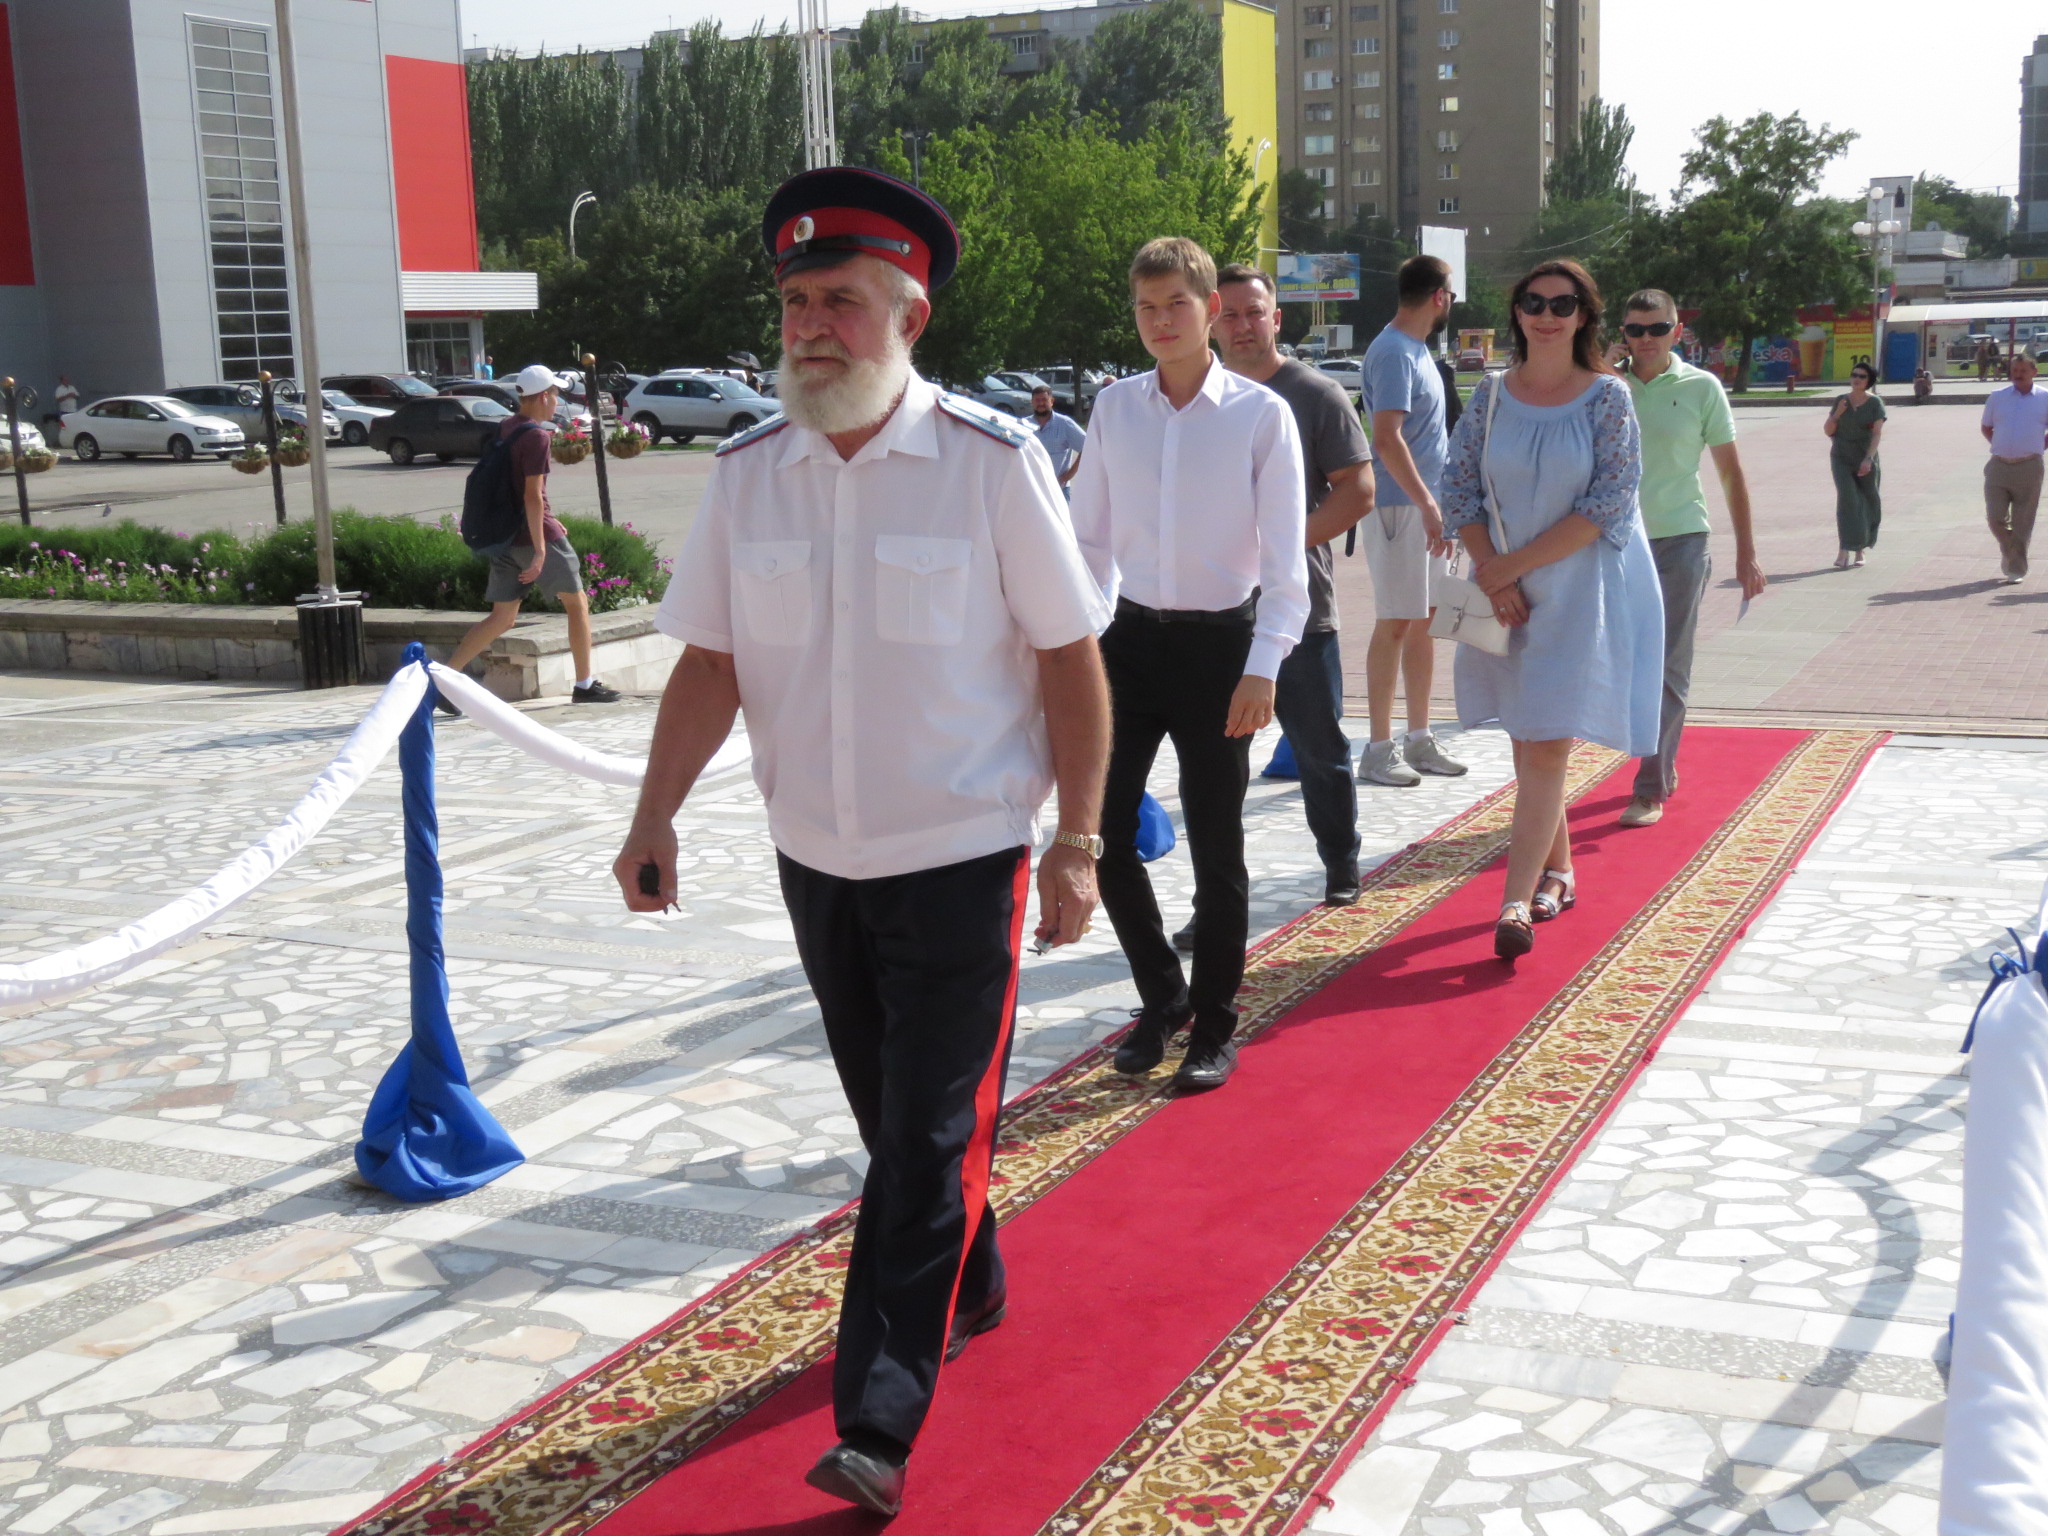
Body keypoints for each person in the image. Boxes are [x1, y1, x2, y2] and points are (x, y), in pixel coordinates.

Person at [614, 167, 1112, 1518]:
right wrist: (653, 812)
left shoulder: (992, 465)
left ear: (909, 313)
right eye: (794, 299)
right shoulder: (747, 476)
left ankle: (879, 1421)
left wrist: (1077, 840)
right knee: (898, 1121)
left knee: (924, 1132)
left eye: (841, 298)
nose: (811, 323)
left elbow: (1070, 661)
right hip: (816, 854)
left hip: (961, 853)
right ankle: (975, 1269)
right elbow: (710, 663)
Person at [1070, 237, 1307, 1095]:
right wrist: (1076, 649)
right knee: (1098, 835)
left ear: (1211, 309)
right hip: (1127, 645)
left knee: (1217, 843)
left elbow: (1286, 564)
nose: (1160, 320)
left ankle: (1214, 1023)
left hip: (1221, 652)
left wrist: (1264, 666)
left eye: (1176, 303)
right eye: (1145, 306)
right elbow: (1088, 542)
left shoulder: (1259, 415)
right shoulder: (1115, 410)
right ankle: (1160, 999)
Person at [1440, 259, 1662, 960]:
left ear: (1583, 316)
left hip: (1577, 596)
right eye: (1533, 302)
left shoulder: (1607, 397)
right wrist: (1491, 571)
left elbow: (1608, 503)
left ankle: (1513, 902)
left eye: (1562, 304)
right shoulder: (1492, 394)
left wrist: (1511, 566)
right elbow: (1459, 486)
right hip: (1501, 596)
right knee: (1527, 738)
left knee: (1545, 747)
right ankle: (1559, 871)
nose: (1546, 314)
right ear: (1517, 312)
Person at [1204, 260, 1373, 913]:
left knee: (1318, 748)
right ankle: (1216, 900)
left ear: (1278, 319)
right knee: (1218, 765)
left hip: (1301, 610)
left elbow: (1358, 491)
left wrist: (1274, 548)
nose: (1244, 326)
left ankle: (1341, 865)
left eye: (1256, 313)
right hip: (1216, 616)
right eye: (1231, 314)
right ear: (1213, 321)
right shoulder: (1199, 397)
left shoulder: (1314, 394)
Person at [1611, 288, 1767, 830]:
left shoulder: (1702, 388)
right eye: (1635, 329)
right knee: (1622, 661)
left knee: (1667, 665)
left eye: (1657, 328)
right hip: (1614, 542)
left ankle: (1649, 785)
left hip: (1681, 540)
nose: (1646, 339)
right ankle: (1662, 761)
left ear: (1678, 331)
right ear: (1622, 333)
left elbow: (1730, 473)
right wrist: (1601, 367)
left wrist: (1746, 553)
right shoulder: (1607, 384)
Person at [441, 364, 621, 703]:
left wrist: (550, 520)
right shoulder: (537, 436)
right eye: (555, 394)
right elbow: (532, 495)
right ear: (542, 397)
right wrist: (540, 550)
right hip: (532, 537)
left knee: (502, 616)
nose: (557, 400)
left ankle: (446, 680)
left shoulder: (505, 428)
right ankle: (585, 685)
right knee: (577, 604)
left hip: (503, 536)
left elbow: (515, 488)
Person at [1359, 254, 1469, 786]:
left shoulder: (1419, 351)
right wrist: (1427, 504)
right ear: (1439, 297)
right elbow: (1386, 438)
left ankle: (1419, 738)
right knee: (1396, 622)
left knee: (1426, 621)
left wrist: (1443, 505)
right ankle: (1378, 748)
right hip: (1400, 508)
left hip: (1427, 506)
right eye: (1451, 295)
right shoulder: (1393, 352)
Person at [1981, 351, 2048, 584]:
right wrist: (2001, 446)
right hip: (1998, 465)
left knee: (2023, 521)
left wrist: (2038, 446)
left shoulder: (2045, 398)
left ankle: (2016, 568)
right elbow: (1986, 427)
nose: (2017, 375)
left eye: (2023, 371)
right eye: (2014, 370)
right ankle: (2010, 550)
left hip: (2030, 466)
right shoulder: (1997, 397)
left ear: (2034, 372)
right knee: (1995, 517)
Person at [1824, 363, 1885, 568]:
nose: (1857, 378)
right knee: (1848, 500)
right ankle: (1844, 550)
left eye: (1862, 376)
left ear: (1869, 381)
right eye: (1854, 375)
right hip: (1841, 456)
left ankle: (1859, 549)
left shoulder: (1875, 403)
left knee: (1867, 501)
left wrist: (1868, 459)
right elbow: (1828, 429)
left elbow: (1876, 434)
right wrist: (1838, 413)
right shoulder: (1840, 401)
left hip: (1865, 457)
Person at [1022, 383, 1086, 495]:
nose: (1041, 403)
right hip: (1031, 490)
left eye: (1044, 400)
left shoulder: (1065, 424)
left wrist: (1067, 476)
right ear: (1032, 402)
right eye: (1037, 400)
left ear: (1051, 401)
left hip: (1058, 490)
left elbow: (1087, 448)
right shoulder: (1023, 424)